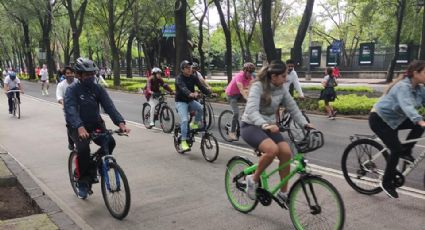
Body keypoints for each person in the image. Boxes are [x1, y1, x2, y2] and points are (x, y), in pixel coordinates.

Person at [241, 60, 312, 204]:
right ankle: (252, 180)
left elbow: (292, 107)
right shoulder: (258, 86)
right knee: (272, 150)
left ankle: (283, 192)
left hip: (270, 126)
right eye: (283, 76)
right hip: (250, 125)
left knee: (286, 152)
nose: (286, 79)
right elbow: (251, 110)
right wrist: (264, 124)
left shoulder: (281, 89)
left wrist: (305, 124)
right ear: (274, 76)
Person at [64, 57, 130, 199]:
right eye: (87, 75)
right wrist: (80, 127)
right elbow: (70, 110)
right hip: (77, 126)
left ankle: (99, 165)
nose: (90, 77)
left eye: (92, 74)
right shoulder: (72, 90)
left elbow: (109, 106)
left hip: (95, 124)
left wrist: (120, 123)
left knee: (110, 142)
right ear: (79, 75)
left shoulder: (97, 88)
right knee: (83, 149)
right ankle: (82, 182)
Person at [369, 60, 425, 199]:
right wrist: (420, 121)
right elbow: (407, 107)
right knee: (395, 149)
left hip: (395, 120)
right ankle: (386, 183)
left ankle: (406, 151)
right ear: (415, 73)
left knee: (418, 124)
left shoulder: (420, 89)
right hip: (379, 119)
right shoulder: (402, 87)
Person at [175, 60, 212, 151]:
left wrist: (209, 93)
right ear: (182, 69)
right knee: (184, 120)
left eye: (190, 67)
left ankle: (194, 124)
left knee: (201, 108)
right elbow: (183, 88)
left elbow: (201, 87)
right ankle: (183, 141)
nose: (190, 69)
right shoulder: (179, 78)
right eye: (187, 68)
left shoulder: (193, 77)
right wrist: (190, 94)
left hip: (190, 101)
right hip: (181, 102)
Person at [224, 62, 255, 141]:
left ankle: (244, 116)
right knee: (236, 113)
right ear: (244, 71)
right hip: (231, 95)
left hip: (240, 95)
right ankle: (232, 132)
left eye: (251, 72)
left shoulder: (251, 77)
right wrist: (248, 99)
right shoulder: (239, 76)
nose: (250, 74)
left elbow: (251, 89)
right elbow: (241, 90)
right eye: (249, 72)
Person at [56, 66, 78, 150]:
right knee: (71, 125)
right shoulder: (61, 85)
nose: (70, 75)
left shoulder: (78, 82)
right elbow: (59, 97)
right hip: (68, 109)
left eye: (72, 73)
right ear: (65, 75)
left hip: (79, 108)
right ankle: (71, 142)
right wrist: (64, 104)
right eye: (68, 73)